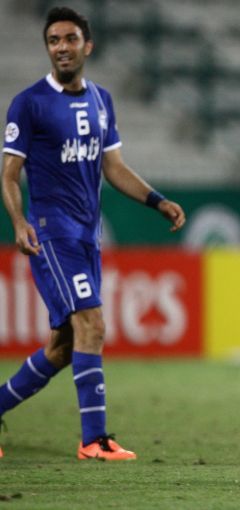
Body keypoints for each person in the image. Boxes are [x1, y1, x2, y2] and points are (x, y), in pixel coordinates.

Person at [0, 6, 185, 460]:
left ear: (88, 45)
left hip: (87, 236)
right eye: (53, 41)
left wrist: (157, 200)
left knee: (63, 346)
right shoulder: (29, 103)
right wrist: (20, 222)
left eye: (69, 39)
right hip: (52, 233)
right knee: (92, 324)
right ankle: (93, 439)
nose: (61, 47)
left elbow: (113, 167)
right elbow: (9, 174)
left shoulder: (101, 100)